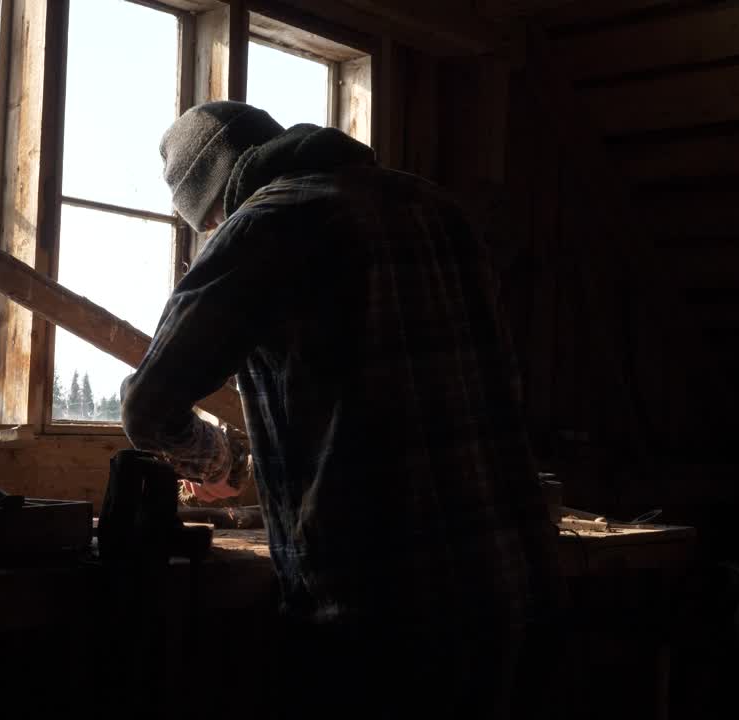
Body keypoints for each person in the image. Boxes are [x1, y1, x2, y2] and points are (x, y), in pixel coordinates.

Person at [119, 101, 563, 718]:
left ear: (217, 201)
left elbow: (149, 403)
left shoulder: (265, 225)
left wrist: (215, 459)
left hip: (374, 599)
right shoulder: (439, 210)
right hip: (507, 576)